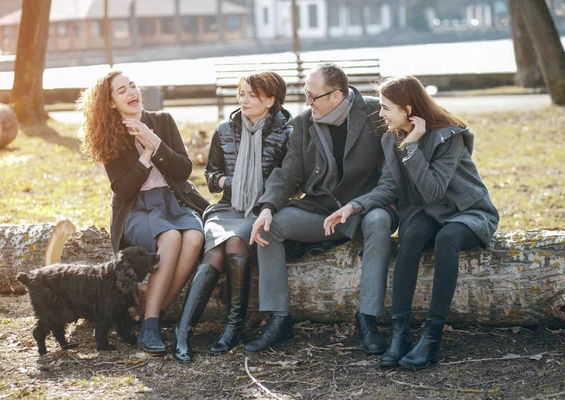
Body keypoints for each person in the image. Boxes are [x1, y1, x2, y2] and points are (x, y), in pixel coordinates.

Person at [324, 75, 499, 370]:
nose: (380, 114)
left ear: (408, 109)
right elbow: (388, 187)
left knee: (446, 240)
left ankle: (431, 338)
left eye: (386, 108)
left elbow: (434, 190)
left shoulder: (448, 135)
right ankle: (400, 333)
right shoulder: (390, 138)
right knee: (411, 237)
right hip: (427, 213)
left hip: (466, 212)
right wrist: (353, 206)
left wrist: (413, 146)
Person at [246, 63, 398, 354]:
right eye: (305, 94)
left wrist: (356, 206)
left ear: (336, 96)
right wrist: (267, 207)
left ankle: (368, 319)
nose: (306, 102)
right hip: (322, 213)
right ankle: (279, 320)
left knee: (379, 222)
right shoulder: (304, 123)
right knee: (270, 225)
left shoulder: (376, 114)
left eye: (311, 96)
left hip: (366, 209)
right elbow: (288, 173)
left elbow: (390, 181)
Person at [78, 71, 205, 355]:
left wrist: (155, 143)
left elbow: (184, 170)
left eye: (132, 85)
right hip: (137, 209)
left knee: (194, 238)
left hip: (174, 200)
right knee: (171, 237)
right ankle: (150, 324)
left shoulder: (162, 121)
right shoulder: (108, 135)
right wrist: (146, 155)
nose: (131, 92)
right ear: (110, 103)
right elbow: (123, 190)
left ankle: (155, 312)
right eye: (121, 90)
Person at [173, 71, 292, 362]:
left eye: (252, 94)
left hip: (261, 208)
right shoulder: (225, 129)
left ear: (270, 99)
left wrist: (265, 198)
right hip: (227, 206)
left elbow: (291, 180)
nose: (245, 99)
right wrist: (228, 182)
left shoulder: (287, 133)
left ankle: (233, 327)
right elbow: (211, 175)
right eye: (242, 93)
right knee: (214, 253)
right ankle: (182, 333)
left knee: (236, 244)